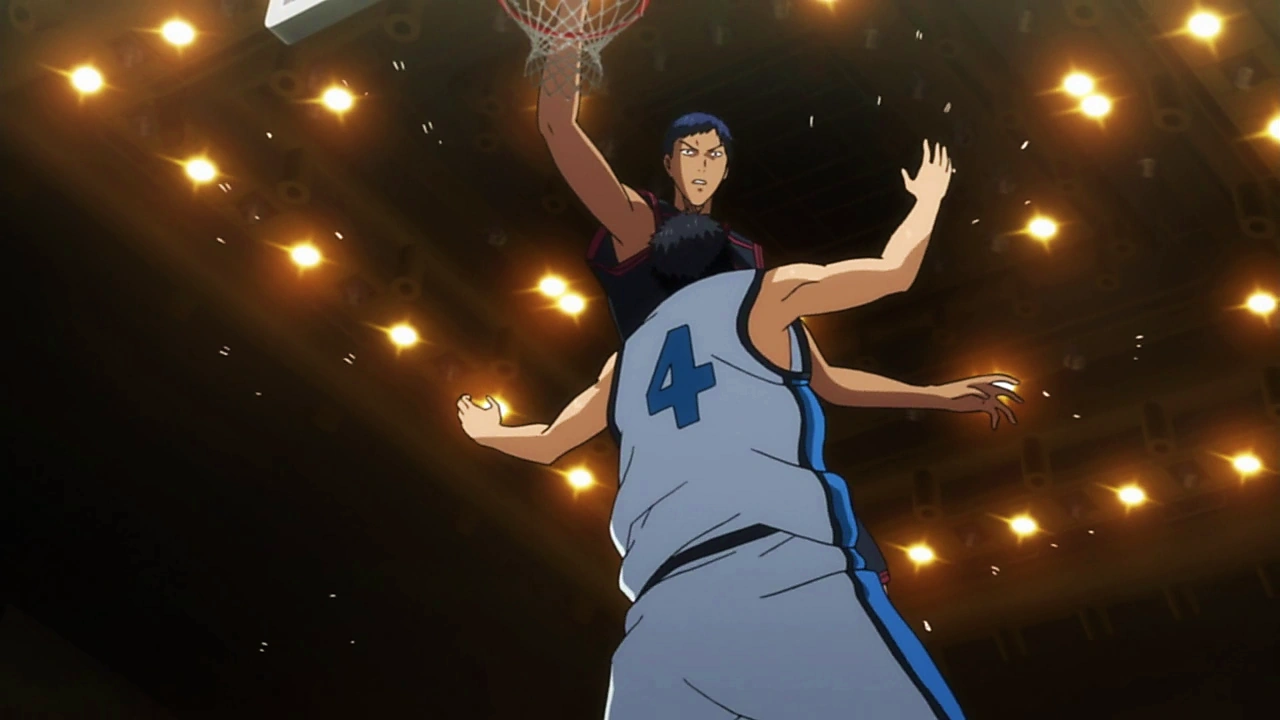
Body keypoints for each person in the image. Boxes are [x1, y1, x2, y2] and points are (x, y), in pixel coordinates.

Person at [460, 142, 1021, 718]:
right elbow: (893, 273)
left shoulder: (621, 363)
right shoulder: (762, 295)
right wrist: (928, 200)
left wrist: (488, 431)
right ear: (732, 260)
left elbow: (548, 442)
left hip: (659, 623)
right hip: (782, 575)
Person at [537, 33, 905, 585]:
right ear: (668, 162)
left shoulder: (746, 262)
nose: (702, 164)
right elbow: (558, 129)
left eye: (714, 154)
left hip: (751, 437)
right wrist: (566, 40)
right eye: (689, 152)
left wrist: (938, 395)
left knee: (849, 573)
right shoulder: (640, 223)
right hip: (677, 431)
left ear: (727, 168)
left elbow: (826, 377)